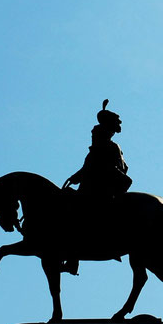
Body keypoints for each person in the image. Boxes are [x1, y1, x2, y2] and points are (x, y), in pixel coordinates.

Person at [60, 100, 132, 275]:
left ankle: (72, 259)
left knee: (74, 212)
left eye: (96, 133)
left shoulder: (110, 147)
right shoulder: (97, 150)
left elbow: (118, 169)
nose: (93, 135)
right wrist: (76, 176)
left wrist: (89, 174)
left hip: (100, 191)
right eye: (93, 133)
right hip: (91, 188)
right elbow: (88, 167)